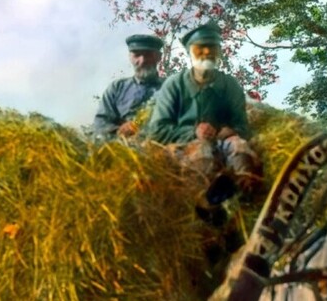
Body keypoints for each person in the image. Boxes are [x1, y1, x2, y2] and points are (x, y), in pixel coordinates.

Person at [142, 20, 263, 198]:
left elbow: (243, 126)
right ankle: (204, 202)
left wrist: (230, 131)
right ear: (189, 52)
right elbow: (157, 130)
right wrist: (193, 132)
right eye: (200, 47)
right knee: (201, 154)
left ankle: (246, 193)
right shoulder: (174, 85)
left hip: (223, 142)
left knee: (240, 148)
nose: (206, 52)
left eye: (212, 47)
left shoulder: (229, 85)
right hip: (184, 146)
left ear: (219, 51)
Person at [91, 34, 164, 140]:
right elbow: (101, 124)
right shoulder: (117, 88)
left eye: (148, 55)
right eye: (137, 55)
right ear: (130, 57)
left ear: (159, 57)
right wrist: (119, 130)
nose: (142, 60)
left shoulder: (172, 87)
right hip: (123, 149)